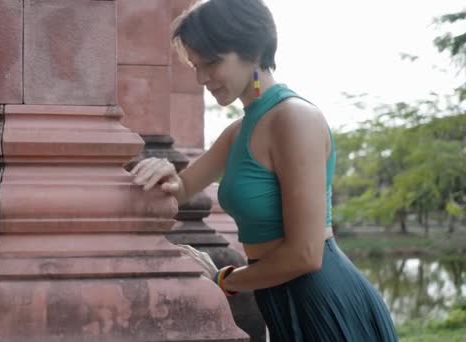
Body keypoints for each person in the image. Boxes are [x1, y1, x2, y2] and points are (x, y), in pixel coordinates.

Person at [129, 0, 398, 341]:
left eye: (211, 63)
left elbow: (305, 254)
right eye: (196, 66)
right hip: (281, 299)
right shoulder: (238, 132)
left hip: (323, 302)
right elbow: (180, 188)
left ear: (252, 50)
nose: (201, 78)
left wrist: (223, 280)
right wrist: (161, 169)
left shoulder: (294, 119)